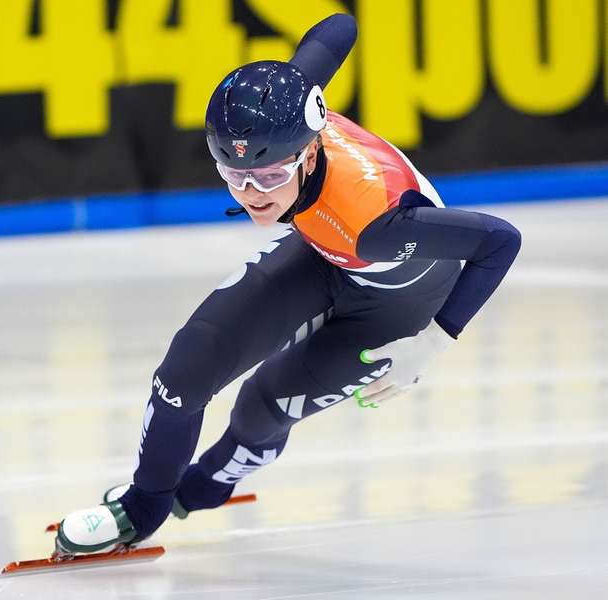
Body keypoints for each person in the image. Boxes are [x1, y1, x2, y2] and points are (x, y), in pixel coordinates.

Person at [54, 13, 521, 554]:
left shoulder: (376, 227)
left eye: (271, 175)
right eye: (233, 176)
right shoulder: (291, 104)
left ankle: (204, 487)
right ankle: (144, 507)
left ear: (311, 151)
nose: (252, 193)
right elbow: (341, 25)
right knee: (187, 367)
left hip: (397, 302)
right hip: (325, 253)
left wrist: (435, 340)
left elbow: (499, 241)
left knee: (263, 404)